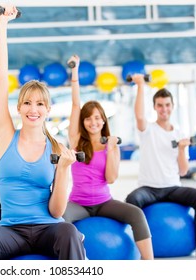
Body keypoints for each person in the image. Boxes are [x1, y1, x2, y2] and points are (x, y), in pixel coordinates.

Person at [0, 6, 86, 260]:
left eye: (40, 104)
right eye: (28, 103)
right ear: (19, 107)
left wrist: (63, 170)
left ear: (48, 109)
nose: (33, 109)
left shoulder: (56, 148)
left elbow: (56, 211)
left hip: (47, 229)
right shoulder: (7, 136)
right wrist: (2, 24)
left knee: (69, 232)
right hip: (10, 232)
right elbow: (0, 78)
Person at [62, 55, 154, 260]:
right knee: (60, 218)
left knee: (137, 214)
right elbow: (76, 105)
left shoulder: (111, 146)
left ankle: (150, 265)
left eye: (97, 117)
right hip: (78, 204)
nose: (92, 122)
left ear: (103, 120)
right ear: (83, 122)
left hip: (105, 202)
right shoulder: (76, 140)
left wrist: (111, 149)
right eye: (88, 118)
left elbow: (111, 178)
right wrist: (75, 72)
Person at [125, 74, 196, 259]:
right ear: (154, 107)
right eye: (160, 105)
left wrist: (182, 149)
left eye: (167, 105)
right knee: (132, 199)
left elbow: (183, 171)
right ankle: (139, 245)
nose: (164, 109)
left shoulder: (179, 133)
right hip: (149, 188)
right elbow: (138, 115)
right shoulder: (148, 130)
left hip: (172, 187)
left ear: (172, 107)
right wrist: (140, 85)